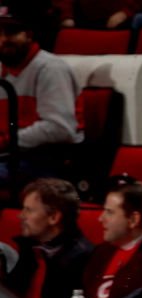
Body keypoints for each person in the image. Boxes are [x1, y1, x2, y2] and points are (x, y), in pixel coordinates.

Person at [0, 6, 83, 185]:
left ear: (29, 34)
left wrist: (8, 140)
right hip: (10, 155)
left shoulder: (50, 69)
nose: (3, 39)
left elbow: (60, 128)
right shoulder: (1, 69)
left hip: (47, 159)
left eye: (12, 32)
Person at [1, 178, 93, 298]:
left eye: (29, 210)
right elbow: (10, 297)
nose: (21, 216)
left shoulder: (81, 258)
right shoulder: (30, 249)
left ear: (54, 217)